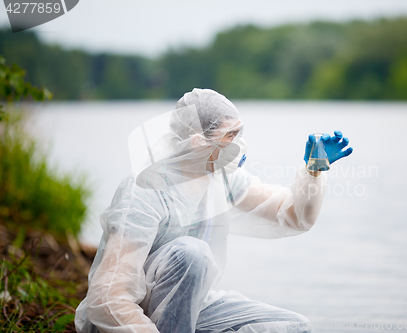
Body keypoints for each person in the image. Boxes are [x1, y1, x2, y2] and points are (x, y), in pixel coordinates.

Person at [75, 88, 353, 333]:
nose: (239, 144)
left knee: (293, 327)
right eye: (231, 135)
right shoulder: (144, 190)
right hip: (129, 319)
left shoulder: (221, 178)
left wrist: (314, 169)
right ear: (198, 142)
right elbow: (109, 297)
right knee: (191, 253)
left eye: (239, 133)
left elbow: (292, 215)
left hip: (190, 308)